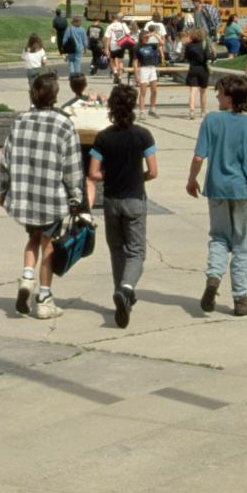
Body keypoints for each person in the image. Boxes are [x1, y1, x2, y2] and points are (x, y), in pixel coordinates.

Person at [186, 76, 247, 317]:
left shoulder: (211, 120)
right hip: (243, 191)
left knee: (218, 237)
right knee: (243, 245)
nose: (216, 96)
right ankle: (241, 298)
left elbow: (198, 157)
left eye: (219, 93)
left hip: (216, 189)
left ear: (229, 97)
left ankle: (214, 277)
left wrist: (191, 179)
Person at [0, 72, 83, 320]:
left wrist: (4, 190)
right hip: (51, 197)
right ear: (55, 95)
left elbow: (5, 160)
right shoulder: (63, 124)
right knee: (49, 244)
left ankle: (27, 278)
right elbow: (72, 167)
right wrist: (76, 197)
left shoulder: (20, 121)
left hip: (26, 195)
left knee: (33, 239)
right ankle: (44, 297)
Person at [87, 84, 158, 328]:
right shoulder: (143, 135)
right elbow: (154, 171)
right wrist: (139, 177)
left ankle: (121, 293)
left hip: (112, 201)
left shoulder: (103, 137)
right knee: (136, 251)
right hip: (135, 199)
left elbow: (93, 173)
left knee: (117, 250)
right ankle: (127, 289)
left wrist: (111, 175)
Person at [60, 73, 105, 211]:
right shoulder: (95, 102)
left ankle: (77, 204)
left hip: (77, 146)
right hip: (95, 146)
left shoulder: (66, 107)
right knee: (90, 179)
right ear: (85, 85)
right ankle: (88, 209)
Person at [133, 26, 162, 119]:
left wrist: (154, 34)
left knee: (154, 90)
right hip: (144, 68)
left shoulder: (152, 45)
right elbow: (135, 61)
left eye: (147, 36)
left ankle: (152, 109)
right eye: (145, 36)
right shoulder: (137, 47)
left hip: (152, 68)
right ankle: (142, 111)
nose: (147, 38)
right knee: (143, 91)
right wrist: (136, 74)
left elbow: (162, 43)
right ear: (141, 37)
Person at [184, 28, 212, 120]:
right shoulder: (204, 45)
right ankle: (203, 112)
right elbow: (209, 57)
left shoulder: (189, 46)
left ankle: (192, 111)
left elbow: (186, 57)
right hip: (203, 69)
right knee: (203, 92)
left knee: (193, 91)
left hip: (193, 68)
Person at [104, 14, 131, 84]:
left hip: (113, 45)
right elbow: (128, 33)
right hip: (121, 44)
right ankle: (120, 77)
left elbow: (107, 38)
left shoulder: (110, 26)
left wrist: (106, 48)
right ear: (118, 18)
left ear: (111, 19)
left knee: (112, 61)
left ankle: (115, 72)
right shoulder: (123, 25)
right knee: (120, 61)